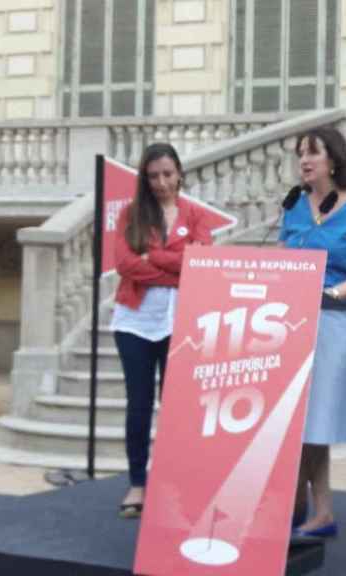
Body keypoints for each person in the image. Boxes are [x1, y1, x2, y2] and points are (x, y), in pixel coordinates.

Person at [279, 126, 346, 538]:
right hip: (295, 323)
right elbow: (284, 261)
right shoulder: (294, 206)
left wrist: (330, 292)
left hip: (337, 324)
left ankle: (294, 503)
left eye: (313, 153)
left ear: (334, 160)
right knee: (302, 422)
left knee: (316, 419)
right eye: (300, 153)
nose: (304, 160)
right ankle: (319, 510)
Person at [112, 142, 213, 518]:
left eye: (167, 174)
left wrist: (151, 257)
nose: (161, 182)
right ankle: (137, 482)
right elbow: (124, 264)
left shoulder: (197, 215)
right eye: (153, 176)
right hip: (135, 322)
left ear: (180, 173)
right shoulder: (130, 214)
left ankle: (175, 482)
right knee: (139, 404)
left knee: (178, 409)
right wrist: (174, 267)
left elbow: (200, 262)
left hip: (181, 322)